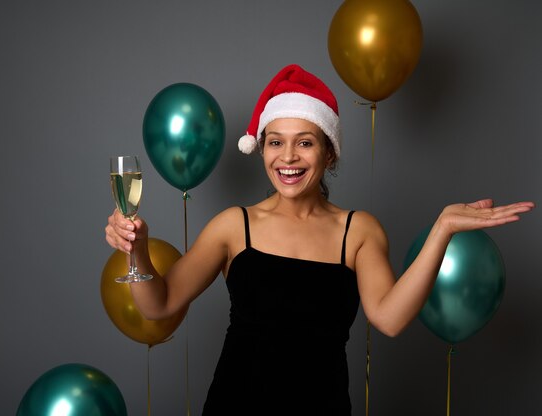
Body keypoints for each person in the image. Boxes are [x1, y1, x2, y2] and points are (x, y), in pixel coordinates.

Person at [105, 64, 534, 415]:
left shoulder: (359, 230)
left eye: (304, 143)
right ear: (262, 149)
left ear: (329, 154)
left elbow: (389, 318)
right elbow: (157, 306)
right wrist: (137, 250)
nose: (287, 157)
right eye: (275, 142)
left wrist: (441, 229)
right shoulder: (233, 226)